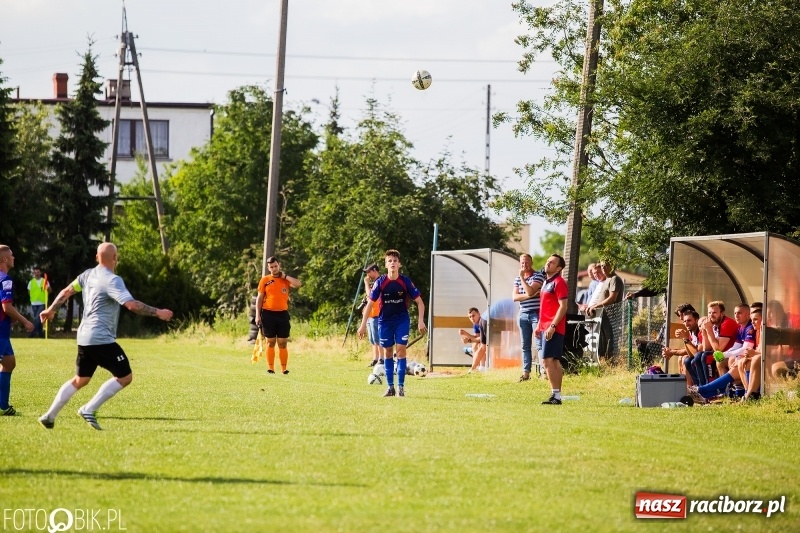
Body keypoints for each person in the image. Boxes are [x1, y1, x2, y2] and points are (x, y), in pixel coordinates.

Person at [37, 243, 173, 430]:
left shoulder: (87, 275)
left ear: (96, 257)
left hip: (84, 337)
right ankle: (89, 409)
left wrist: (51, 309)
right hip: (100, 338)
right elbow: (132, 305)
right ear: (115, 258)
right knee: (125, 376)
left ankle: (49, 416)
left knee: (80, 379)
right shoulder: (113, 280)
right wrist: (158, 312)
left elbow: (66, 291)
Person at [357, 249, 427, 397]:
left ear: (399, 264)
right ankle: (390, 388)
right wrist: (363, 325)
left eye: (395, 261)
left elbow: (420, 302)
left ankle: (400, 387)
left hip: (401, 320)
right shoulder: (380, 282)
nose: (392, 263)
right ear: (386, 264)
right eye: (390, 261)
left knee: (401, 350)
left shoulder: (405, 281)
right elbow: (369, 304)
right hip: (385, 322)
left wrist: (421, 321)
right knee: (388, 352)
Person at [0, 245, 35, 416]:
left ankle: (3, 406)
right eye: (12, 255)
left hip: (4, 331)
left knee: (9, 363)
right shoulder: (5, 279)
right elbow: (6, 307)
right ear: (5, 259)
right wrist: (25, 321)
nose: (14, 258)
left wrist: (9, 318)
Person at [255, 256, 302, 375]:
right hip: (268, 314)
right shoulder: (265, 280)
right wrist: (257, 315)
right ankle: (270, 368)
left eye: (275, 266)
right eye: (271, 267)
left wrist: (285, 276)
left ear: (279, 265)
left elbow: (298, 284)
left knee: (282, 342)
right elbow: (259, 298)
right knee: (270, 342)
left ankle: (284, 369)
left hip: (282, 314)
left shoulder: (285, 279)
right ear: (268, 268)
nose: (274, 269)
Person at [535, 254, 569, 405]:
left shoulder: (559, 282)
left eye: (552, 262)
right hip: (544, 326)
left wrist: (553, 326)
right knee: (554, 361)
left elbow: (563, 306)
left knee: (547, 360)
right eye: (548, 261)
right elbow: (545, 306)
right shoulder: (546, 282)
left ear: (558, 268)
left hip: (553, 327)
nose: (548, 263)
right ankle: (557, 396)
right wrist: (539, 324)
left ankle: (555, 395)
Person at [512, 253, 545, 382]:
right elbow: (515, 297)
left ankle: (543, 372)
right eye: (522, 263)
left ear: (531, 263)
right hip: (523, 314)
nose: (524, 265)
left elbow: (530, 290)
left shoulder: (538, 276)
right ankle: (526, 373)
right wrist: (530, 295)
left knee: (539, 344)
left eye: (526, 262)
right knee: (525, 345)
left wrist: (523, 279)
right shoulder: (517, 279)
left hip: (536, 313)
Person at [362, 263, 383, 368]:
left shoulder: (379, 282)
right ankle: (375, 358)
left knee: (378, 338)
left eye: (369, 272)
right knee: (373, 339)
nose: (367, 275)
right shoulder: (373, 282)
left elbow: (370, 295)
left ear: (375, 271)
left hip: (377, 313)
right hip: (370, 314)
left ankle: (381, 358)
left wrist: (366, 284)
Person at [458, 307, 487, 373]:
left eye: (473, 315)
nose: (472, 318)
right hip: (484, 341)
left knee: (480, 345)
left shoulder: (483, 322)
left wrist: (469, 340)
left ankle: (482, 367)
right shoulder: (475, 325)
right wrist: (465, 334)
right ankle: (477, 366)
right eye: (470, 317)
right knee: (474, 345)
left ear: (479, 314)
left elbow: (482, 339)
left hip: (490, 342)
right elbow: (476, 337)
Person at [27, 266, 50, 338]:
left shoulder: (44, 281)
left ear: (40, 273)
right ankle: (41, 334)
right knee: (39, 319)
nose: (36, 273)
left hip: (42, 302)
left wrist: (47, 288)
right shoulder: (31, 282)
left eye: (38, 272)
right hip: (34, 303)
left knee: (37, 318)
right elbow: (29, 292)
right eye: (35, 272)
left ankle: (32, 333)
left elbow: (50, 290)